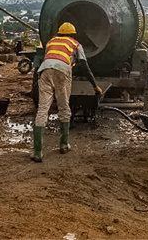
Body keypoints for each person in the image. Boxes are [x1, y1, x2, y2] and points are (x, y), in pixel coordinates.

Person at [31, 22, 102, 162]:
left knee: (43, 109)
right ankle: (63, 145)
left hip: (44, 72)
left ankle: (37, 152)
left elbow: (49, 59)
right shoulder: (75, 44)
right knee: (63, 107)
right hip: (62, 72)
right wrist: (95, 86)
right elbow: (85, 66)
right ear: (73, 34)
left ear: (59, 33)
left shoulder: (51, 41)